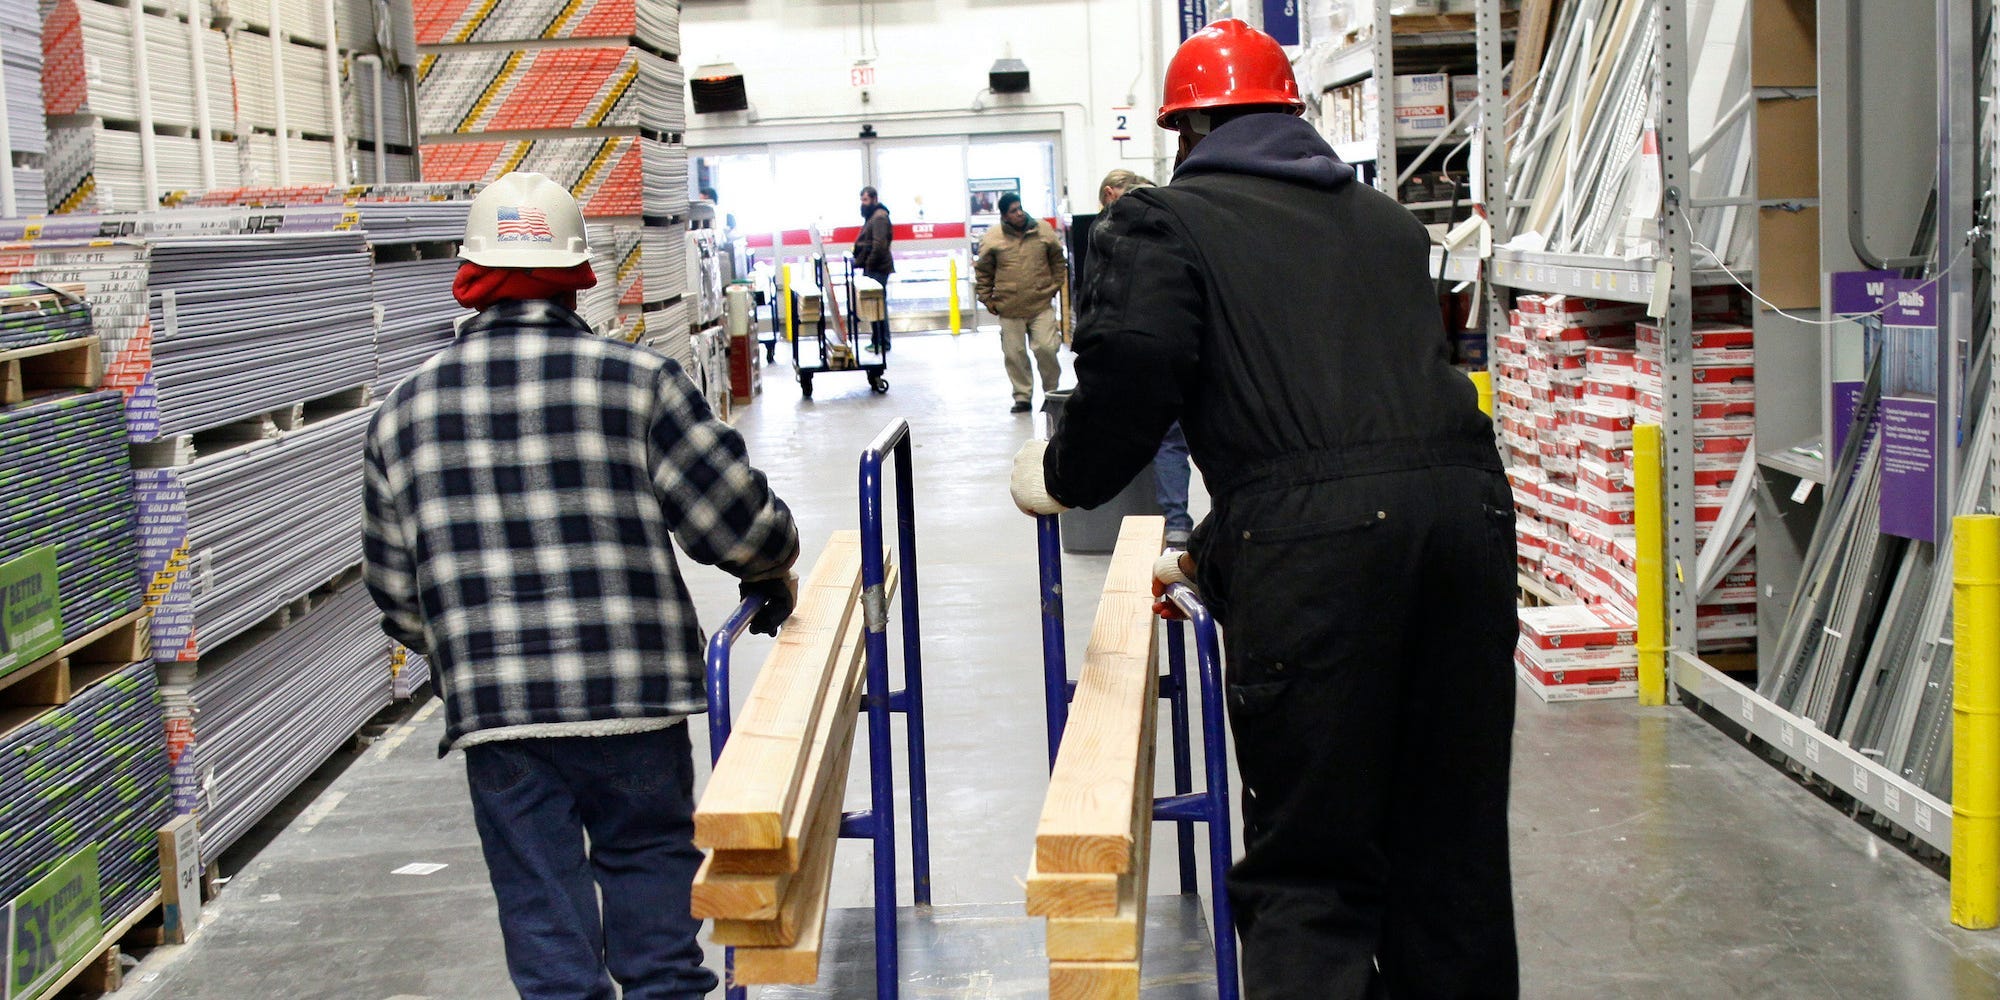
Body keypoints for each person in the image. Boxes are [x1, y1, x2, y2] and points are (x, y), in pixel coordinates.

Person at [1010, 20, 1518, 1000]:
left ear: (1189, 126)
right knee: (1446, 857)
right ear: (1293, 115)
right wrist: (1210, 548)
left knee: (1310, 868)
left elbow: (1137, 373)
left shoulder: (1160, 221)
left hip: (1316, 560)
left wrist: (1065, 473)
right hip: (1467, 525)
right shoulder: (1385, 221)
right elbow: (1353, 431)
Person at [362, 171, 801, 1000]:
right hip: (633, 702)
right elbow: (741, 526)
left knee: (546, 930)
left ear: (470, 275)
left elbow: (395, 593)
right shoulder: (637, 383)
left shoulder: (402, 413)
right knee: (658, 926)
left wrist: (475, 645)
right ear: (576, 277)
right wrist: (768, 567)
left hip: (500, 721)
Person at [1098, 169, 1193, 547]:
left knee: (1163, 438)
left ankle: (1172, 521)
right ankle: (1182, 522)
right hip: (1186, 345)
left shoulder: (1111, 235)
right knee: (1183, 438)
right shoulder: (1180, 224)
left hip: (1147, 351)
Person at [975, 192, 1066, 413]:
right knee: (1015, 355)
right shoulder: (993, 237)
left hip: (1040, 304)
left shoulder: (1043, 230)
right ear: (1005, 216)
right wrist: (987, 299)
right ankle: (1022, 397)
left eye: (1020, 208)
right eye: (1013, 211)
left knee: (1046, 349)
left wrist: (1053, 287)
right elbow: (984, 271)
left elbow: (1057, 260)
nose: (1019, 213)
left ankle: (1051, 393)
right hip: (1009, 307)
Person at [854, 186, 895, 353]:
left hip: (877, 268)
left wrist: (869, 263)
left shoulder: (879, 218)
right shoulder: (873, 216)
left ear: (874, 199)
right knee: (874, 305)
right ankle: (877, 339)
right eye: (862, 200)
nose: (863, 204)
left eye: (865, 200)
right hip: (874, 267)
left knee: (877, 306)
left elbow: (879, 245)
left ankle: (882, 341)